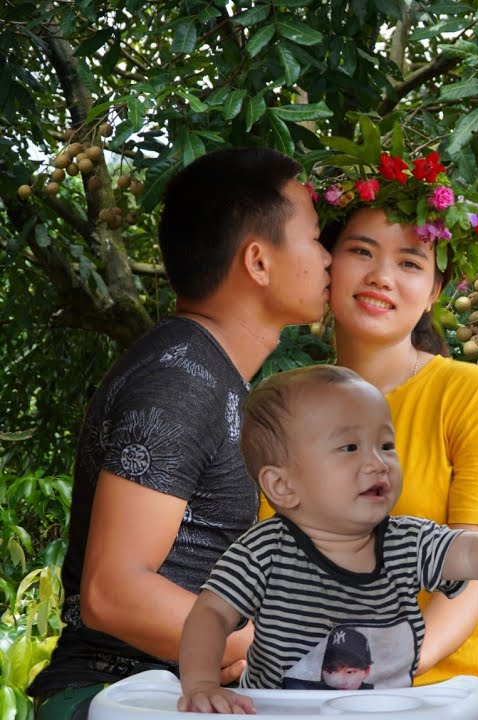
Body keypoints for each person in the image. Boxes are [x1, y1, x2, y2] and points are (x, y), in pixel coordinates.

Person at [27, 148, 333, 720]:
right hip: (112, 696)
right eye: (315, 239)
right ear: (259, 262)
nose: (328, 259)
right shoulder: (181, 379)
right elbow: (112, 592)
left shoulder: (211, 372)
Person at [309, 148, 478, 719]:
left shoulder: (474, 396)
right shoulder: (285, 406)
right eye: (360, 252)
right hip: (345, 690)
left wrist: (374, 683)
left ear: (433, 293)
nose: (381, 276)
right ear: (327, 263)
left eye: (410, 263)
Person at [177, 365, 478, 714]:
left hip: (385, 709)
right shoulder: (265, 551)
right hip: (283, 710)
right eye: (349, 447)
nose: (377, 462)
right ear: (283, 486)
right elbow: (211, 613)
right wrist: (200, 683)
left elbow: (473, 551)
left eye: (386, 444)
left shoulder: (405, 542)